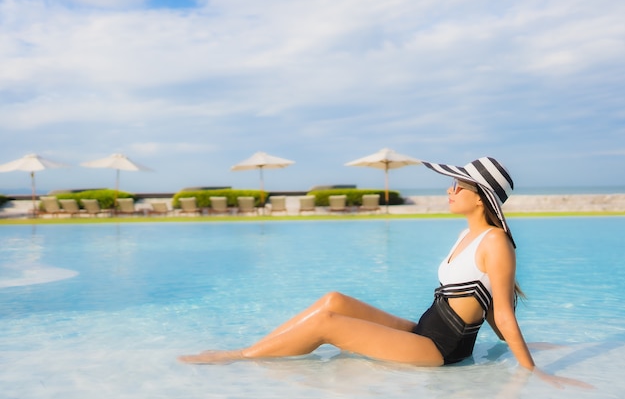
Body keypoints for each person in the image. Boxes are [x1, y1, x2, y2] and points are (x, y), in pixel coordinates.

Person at [179, 157, 590, 389]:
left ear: (481, 197)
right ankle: (253, 347)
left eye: (457, 186)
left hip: (439, 352)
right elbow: (490, 304)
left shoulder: (495, 243)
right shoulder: (469, 235)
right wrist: (510, 344)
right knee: (334, 300)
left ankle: (239, 357)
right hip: (423, 332)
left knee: (326, 323)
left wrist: (533, 370)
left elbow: (502, 311)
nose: (449, 191)